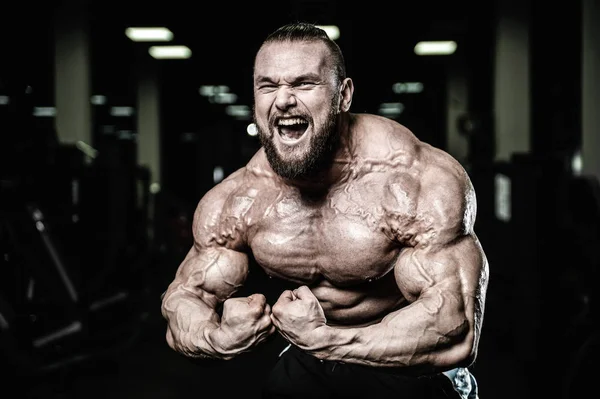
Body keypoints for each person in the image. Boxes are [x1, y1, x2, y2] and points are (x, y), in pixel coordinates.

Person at [160, 21, 489, 399]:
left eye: (303, 83)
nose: (283, 100)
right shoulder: (241, 198)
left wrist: (329, 341)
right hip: (311, 360)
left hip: (410, 368)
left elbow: (456, 328)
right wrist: (216, 338)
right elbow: (182, 302)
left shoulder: (414, 180)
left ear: (343, 95)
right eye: (268, 86)